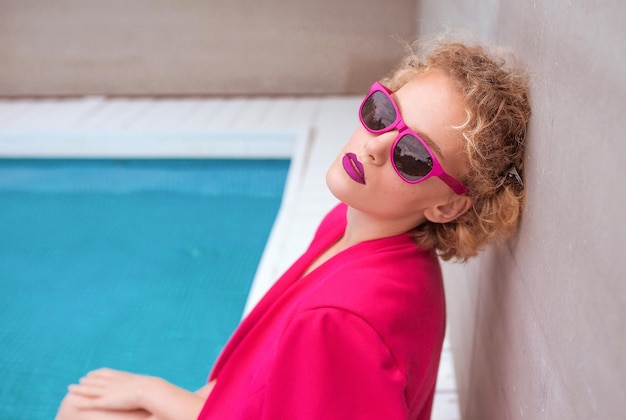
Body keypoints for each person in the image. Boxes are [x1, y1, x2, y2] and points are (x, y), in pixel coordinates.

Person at [56, 38, 530, 420]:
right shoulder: (355, 229)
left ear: (447, 207)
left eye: (414, 156)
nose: (375, 147)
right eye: (384, 114)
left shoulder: (343, 320)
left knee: (82, 412)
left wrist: (166, 397)